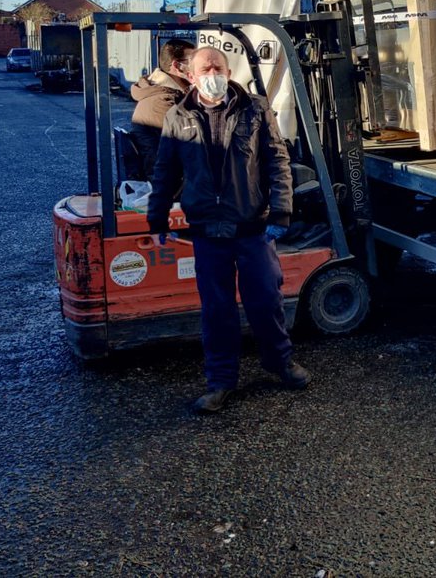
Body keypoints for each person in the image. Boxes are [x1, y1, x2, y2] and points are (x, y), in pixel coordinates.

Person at [147, 45, 309, 413]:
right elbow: (165, 171)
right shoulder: (177, 116)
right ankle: (220, 381)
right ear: (191, 75)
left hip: (252, 229)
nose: (213, 74)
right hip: (207, 232)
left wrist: (281, 212)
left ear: (229, 71)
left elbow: (277, 161)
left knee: (266, 301)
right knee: (216, 310)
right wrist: (157, 217)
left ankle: (280, 362)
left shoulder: (255, 109)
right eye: (205, 69)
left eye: (218, 67)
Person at [129, 38, 196, 176]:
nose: (198, 68)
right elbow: (192, 137)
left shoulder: (167, 93)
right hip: (168, 177)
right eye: (194, 63)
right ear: (177, 66)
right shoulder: (163, 101)